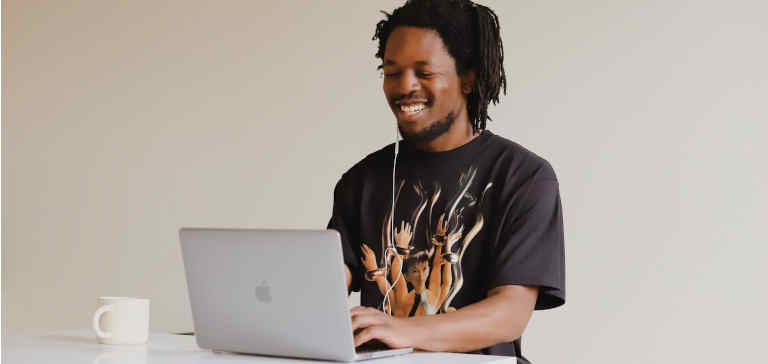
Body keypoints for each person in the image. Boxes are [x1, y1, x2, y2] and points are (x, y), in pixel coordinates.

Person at [326, 1, 565, 362]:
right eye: (392, 72)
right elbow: (327, 286)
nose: (405, 86)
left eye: (424, 72)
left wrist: (399, 330)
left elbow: (509, 315)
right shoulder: (361, 181)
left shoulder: (524, 176)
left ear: (467, 77)